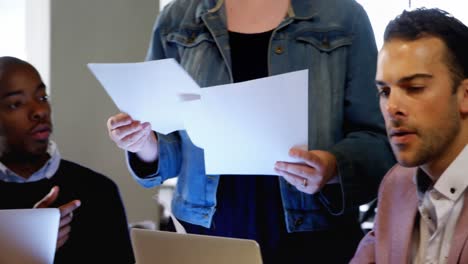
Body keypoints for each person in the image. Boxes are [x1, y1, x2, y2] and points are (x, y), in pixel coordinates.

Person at [107, 0, 395, 263]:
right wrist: (142, 141)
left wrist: (333, 168)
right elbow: (168, 139)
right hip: (203, 236)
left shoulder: (344, 17)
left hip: (313, 237)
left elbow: (378, 140)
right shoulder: (177, 18)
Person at [351, 8, 468, 264]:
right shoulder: (396, 185)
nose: (392, 107)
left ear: (465, 95)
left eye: (414, 88)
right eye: (384, 92)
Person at [0, 56, 135, 264]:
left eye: (42, 98)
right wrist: (26, 250)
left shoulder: (99, 190)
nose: (39, 111)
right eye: (16, 104)